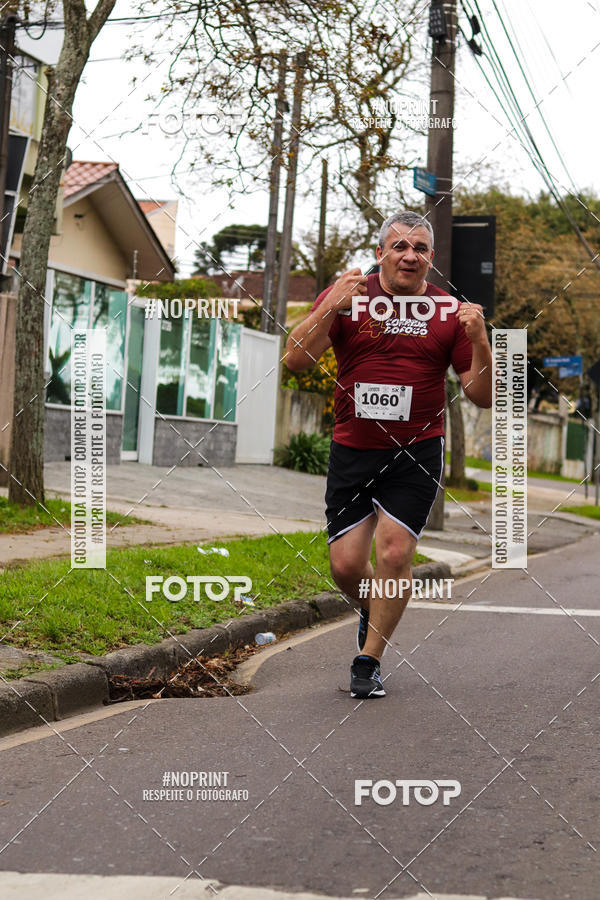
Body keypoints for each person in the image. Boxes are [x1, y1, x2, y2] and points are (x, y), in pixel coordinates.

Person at [285, 210, 493, 699]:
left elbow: (482, 395)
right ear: (381, 252)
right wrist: (329, 307)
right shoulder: (348, 296)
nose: (409, 256)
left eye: (420, 248)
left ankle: (369, 659)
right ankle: (373, 607)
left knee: (396, 552)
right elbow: (295, 361)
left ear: (431, 260)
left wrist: (481, 341)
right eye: (399, 246)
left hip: (416, 450)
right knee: (345, 566)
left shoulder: (448, 312)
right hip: (353, 447)